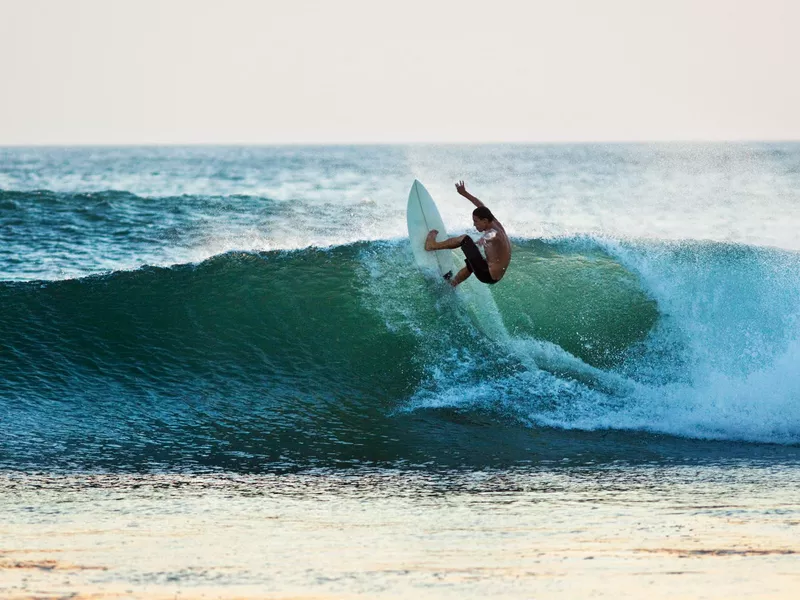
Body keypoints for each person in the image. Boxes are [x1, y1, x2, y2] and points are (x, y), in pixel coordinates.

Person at [425, 180, 511, 287]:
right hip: (493, 275)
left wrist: (484, 238)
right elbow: (480, 205)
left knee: (465, 239)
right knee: (473, 263)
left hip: (487, 274)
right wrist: (464, 193)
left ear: (484, 221)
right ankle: (453, 284)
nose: (474, 225)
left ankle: (432, 245)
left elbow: (492, 235)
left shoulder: (495, 232)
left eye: (476, 221)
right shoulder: (493, 221)